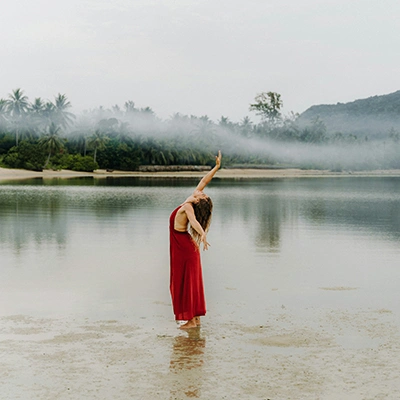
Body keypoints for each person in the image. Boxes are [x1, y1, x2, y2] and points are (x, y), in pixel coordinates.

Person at [169, 151, 222, 329]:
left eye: (204, 196)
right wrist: (216, 167)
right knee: (189, 281)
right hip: (183, 245)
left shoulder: (188, 206)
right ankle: (196, 319)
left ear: (200, 202)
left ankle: (191, 321)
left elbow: (193, 221)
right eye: (204, 194)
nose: (202, 193)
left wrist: (203, 234)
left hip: (184, 247)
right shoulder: (192, 198)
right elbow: (204, 181)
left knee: (187, 282)